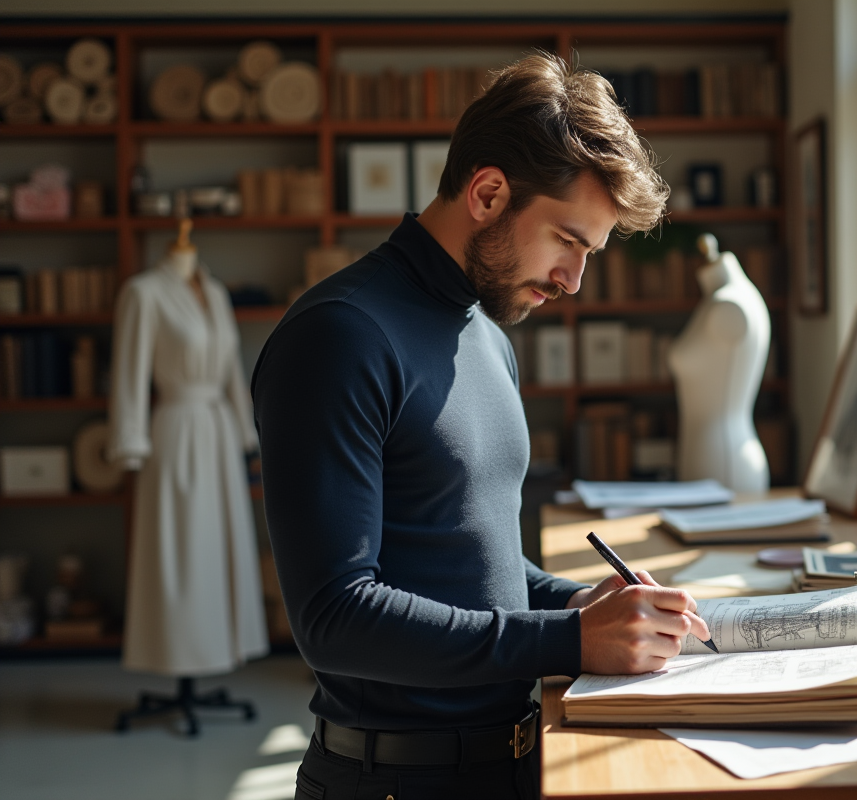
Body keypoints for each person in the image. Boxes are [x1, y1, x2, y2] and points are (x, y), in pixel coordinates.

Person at [251, 53, 710, 800]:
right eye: (568, 241)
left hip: (514, 759)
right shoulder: (340, 337)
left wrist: (573, 603)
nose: (574, 280)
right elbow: (333, 616)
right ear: (489, 192)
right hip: (394, 781)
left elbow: (463, 560)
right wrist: (567, 641)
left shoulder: (487, 331)